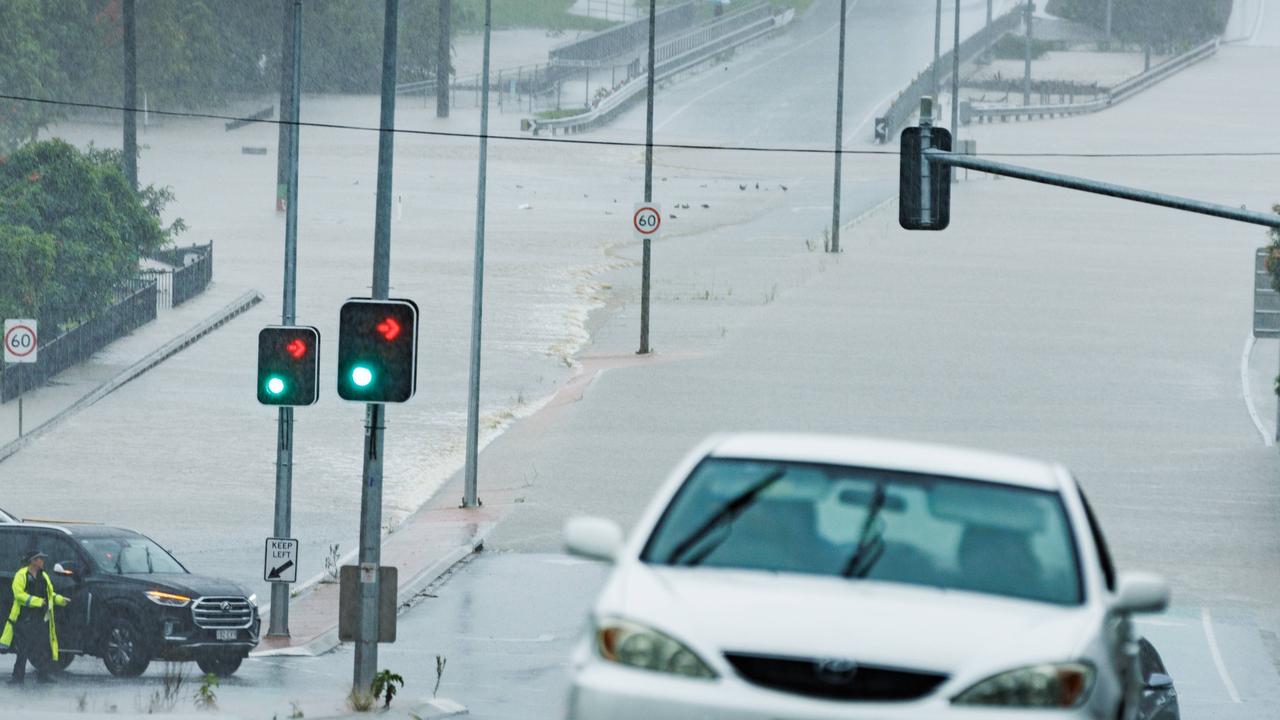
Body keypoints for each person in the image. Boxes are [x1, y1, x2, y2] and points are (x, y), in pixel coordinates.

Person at [1, 550, 70, 684]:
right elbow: (19, 595)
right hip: (24, 619)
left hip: (40, 619)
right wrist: (37, 601)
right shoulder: (21, 575)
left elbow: (49, 595)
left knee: (42, 647)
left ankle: (43, 675)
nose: (43, 561)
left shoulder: (43, 576)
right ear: (33, 561)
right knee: (23, 649)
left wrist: (60, 600)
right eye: (40, 559)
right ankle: (17, 677)